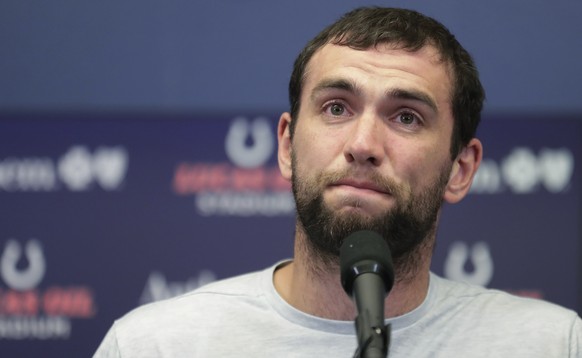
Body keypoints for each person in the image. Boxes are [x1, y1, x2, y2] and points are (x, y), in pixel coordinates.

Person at [94, 7, 581, 357]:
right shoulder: (155, 346)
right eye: (336, 108)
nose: (363, 143)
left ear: (461, 169)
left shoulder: (553, 345)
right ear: (287, 146)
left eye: (407, 117)